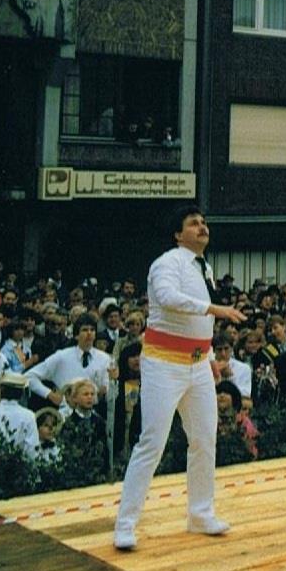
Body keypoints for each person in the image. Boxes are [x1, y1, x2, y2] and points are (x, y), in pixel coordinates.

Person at [112, 204, 245, 551]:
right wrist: (215, 308)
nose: (202, 227)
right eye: (193, 223)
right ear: (177, 234)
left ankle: (201, 514)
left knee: (204, 439)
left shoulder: (204, 267)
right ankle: (125, 524)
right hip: (163, 364)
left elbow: (200, 323)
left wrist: (211, 357)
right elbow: (168, 299)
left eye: (204, 222)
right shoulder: (167, 263)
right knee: (152, 442)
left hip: (198, 364)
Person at [27, 314, 111, 409]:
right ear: (76, 336)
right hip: (65, 412)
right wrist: (50, 395)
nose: (89, 333)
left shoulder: (104, 358)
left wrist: (107, 388)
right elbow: (29, 376)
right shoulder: (62, 356)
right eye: (84, 330)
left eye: (92, 330)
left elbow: (108, 391)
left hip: (94, 412)